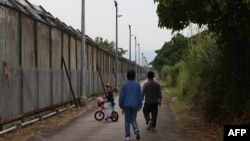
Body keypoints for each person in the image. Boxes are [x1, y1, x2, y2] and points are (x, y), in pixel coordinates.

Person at [119, 70, 142, 141]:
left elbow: (121, 96)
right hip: (135, 105)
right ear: (134, 76)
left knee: (127, 120)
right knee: (133, 119)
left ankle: (127, 136)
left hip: (126, 105)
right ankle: (136, 129)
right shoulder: (137, 84)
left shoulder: (124, 84)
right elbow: (139, 96)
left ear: (127, 76)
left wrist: (121, 104)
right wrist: (140, 105)